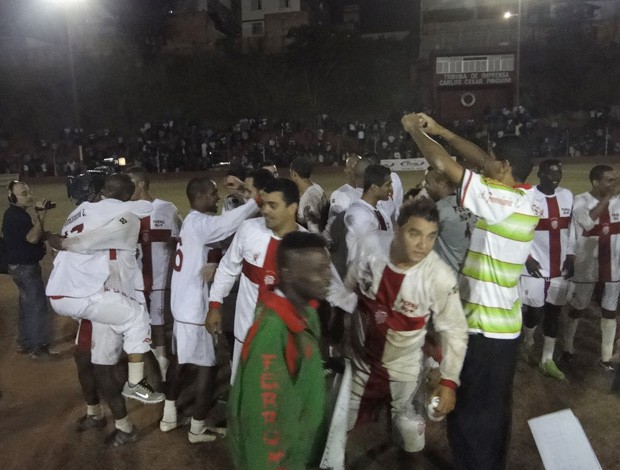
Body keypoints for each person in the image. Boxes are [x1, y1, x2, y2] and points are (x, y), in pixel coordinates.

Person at [402, 112, 541, 470]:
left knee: (467, 417)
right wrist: (443, 129)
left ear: (505, 166)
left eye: (493, 160)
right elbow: (480, 158)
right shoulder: (522, 198)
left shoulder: (500, 202)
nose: (483, 164)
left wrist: (415, 131)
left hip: (484, 330)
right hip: (504, 327)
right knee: (493, 414)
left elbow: (439, 162)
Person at [345, 199, 469, 468]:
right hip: (359, 361)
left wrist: (448, 382)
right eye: (415, 233)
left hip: (404, 368)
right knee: (339, 426)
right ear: (398, 228)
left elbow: (456, 330)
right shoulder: (369, 245)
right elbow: (349, 288)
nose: (423, 245)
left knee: (410, 435)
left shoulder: (439, 276)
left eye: (431, 236)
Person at [205, 178, 352, 382]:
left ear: (292, 207)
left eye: (273, 205)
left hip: (287, 340)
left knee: (279, 397)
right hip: (246, 333)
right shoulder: (248, 230)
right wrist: (214, 304)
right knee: (242, 392)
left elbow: (334, 290)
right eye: (263, 203)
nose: (265, 210)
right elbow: (228, 269)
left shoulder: (309, 247)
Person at [46, 174, 164, 405]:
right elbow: (144, 207)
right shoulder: (126, 216)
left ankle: (100, 411)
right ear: (127, 195)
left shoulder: (77, 213)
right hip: (87, 293)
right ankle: (136, 384)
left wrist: (58, 241)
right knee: (138, 319)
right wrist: (65, 243)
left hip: (63, 291)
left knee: (97, 357)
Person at [161, 176, 259, 443]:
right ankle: (197, 428)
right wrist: (255, 201)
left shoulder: (191, 222)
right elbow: (228, 223)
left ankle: (169, 416)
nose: (217, 198)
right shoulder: (202, 223)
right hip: (195, 308)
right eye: (213, 194)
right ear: (201, 196)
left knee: (180, 360)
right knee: (208, 367)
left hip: (181, 306)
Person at [227, 231, 332, 470]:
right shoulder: (271, 334)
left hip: (298, 453)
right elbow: (260, 422)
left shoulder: (307, 313)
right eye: (318, 270)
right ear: (288, 273)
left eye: (327, 268)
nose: (328, 278)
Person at [518, 159, 574, 380]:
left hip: (559, 268)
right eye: (551, 173)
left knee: (554, 312)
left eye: (558, 172)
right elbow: (519, 230)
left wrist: (571, 255)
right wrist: (527, 257)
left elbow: (572, 230)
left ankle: (547, 359)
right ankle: (528, 342)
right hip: (535, 267)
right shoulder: (527, 196)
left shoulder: (567, 195)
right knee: (534, 311)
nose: (556, 176)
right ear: (539, 173)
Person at [126, 166, 182, 381]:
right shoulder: (124, 211)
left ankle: (162, 364)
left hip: (160, 279)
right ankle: (142, 367)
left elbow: (179, 241)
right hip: (135, 280)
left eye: (129, 182)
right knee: (138, 323)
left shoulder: (167, 208)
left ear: (140, 183)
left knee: (158, 323)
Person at [562, 165, 619, 371]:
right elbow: (586, 222)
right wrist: (606, 199)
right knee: (579, 305)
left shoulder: (618, 202)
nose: (614, 184)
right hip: (586, 263)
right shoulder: (581, 200)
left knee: (610, 309)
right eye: (609, 180)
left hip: (612, 263)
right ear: (596, 182)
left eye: (615, 180)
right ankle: (568, 347)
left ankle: (605, 357)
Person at [2, 180, 56, 358]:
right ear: (12, 197)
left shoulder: (15, 214)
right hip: (25, 268)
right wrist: (42, 213)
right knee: (36, 306)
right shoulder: (17, 216)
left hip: (20, 267)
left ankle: (24, 341)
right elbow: (32, 238)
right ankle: (38, 348)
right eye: (24, 194)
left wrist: (48, 235)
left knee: (26, 305)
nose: (29, 195)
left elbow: (30, 236)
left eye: (28, 192)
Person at [423, 167, 477, 273]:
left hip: (450, 277)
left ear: (442, 183)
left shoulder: (437, 210)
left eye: (428, 183)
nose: (425, 186)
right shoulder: (470, 205)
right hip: (473, 275)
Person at [344, 163, 393, 265]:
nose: (391, 189)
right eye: (387, 185)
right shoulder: (359, 213)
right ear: (374, 188)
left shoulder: (379, 208)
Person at [324, 153, 362, 241]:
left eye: (359, 166)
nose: (356, 169)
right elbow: (337, 227)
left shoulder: (369, 191)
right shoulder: (339, 195)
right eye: (353, 166)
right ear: (346, 170)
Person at [289, 155, 328, 233]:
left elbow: (315, 231)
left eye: (290, 172)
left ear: (294, 173)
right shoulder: (316, 187)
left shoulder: (309, 198)